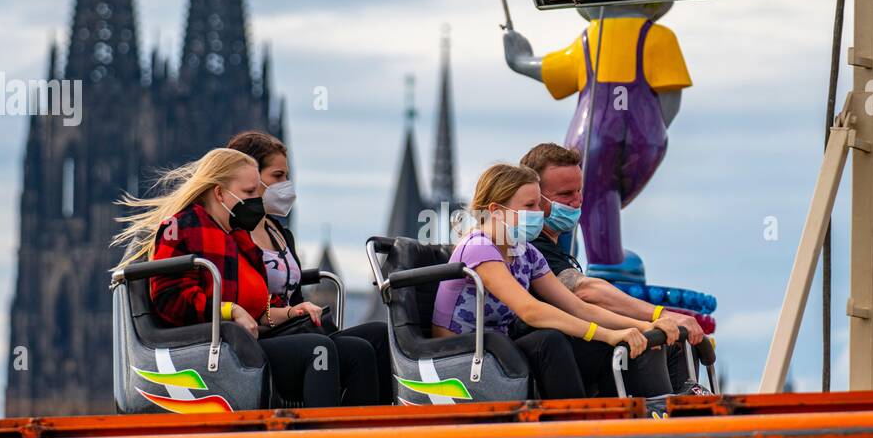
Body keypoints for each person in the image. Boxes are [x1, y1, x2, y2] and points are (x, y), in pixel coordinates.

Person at [113, 148, 379, 407]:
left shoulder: (239, 235)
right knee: (317, 350)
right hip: (216, 348)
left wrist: (291, 312)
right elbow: (170, 300)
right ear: (219, 193)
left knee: (359, 352)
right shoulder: (181, 227)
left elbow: (261, 309)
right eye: (249, 192)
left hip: (253, 341)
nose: (257, 201)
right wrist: (230, 311)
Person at [432, 163, 683, 399]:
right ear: (497, 212)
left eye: (539, 205)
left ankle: (620, 418)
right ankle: (576, 422)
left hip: (497, 350)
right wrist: (607, 334)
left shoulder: (525, 252)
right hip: (461, 354)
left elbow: (578, 307)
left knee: (602, 349)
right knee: (549, 341)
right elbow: (531, 311)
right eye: (529, 206)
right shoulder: (479, 247)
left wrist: (641, 326)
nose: (538, 213)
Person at [520, 142, 706, 393]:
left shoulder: (553, 247)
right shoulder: (530, 246)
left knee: (672, 342)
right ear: (533, 197)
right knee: (643, 345)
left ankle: (686, 410)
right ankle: (659, 423)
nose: (576, 202)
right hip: (551, 358)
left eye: (579, 191)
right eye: (565, 195)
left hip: (578, 346)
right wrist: (657, 316)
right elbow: (584, 291)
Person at [225, 130, 394, 403]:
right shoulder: (234, 234)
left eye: (288, 177)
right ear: (252, 177)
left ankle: (372, 433)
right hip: (262, 333)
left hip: (292, 328)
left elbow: (296, 297)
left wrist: (302, 312)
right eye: (278, 176)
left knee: (378, 336)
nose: (286, 185)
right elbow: (247, 303)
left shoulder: (279, 233)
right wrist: (292, 312)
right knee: (340, 351)